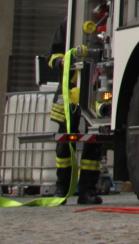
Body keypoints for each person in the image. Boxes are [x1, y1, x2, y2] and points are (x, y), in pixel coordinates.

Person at [47, 20, 103, 205]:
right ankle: (62, 188)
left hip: (98, 88)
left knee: (94, 139)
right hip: (70, 87)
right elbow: (52, 55)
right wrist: (61, 61)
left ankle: (87, 191)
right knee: (65, 139)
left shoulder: (106, 25)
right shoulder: (69, 24)